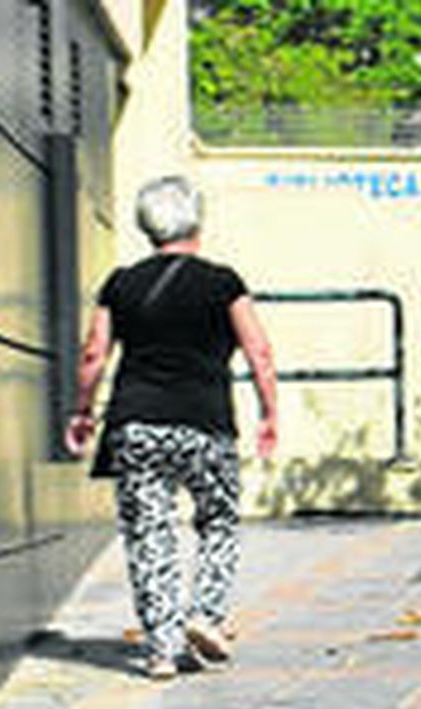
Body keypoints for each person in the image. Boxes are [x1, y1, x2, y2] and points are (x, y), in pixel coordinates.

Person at [64, 175, 279, 679]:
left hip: (137, 425)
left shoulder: (121, 284)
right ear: (196, 219)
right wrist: (269, 413)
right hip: (206, 422)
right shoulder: (224, 281)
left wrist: (82, 411)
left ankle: (161, 649)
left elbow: (94, 354)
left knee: (148, 532)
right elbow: (259, 352)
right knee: (219, 520)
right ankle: (205, 614)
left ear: (146, 226)